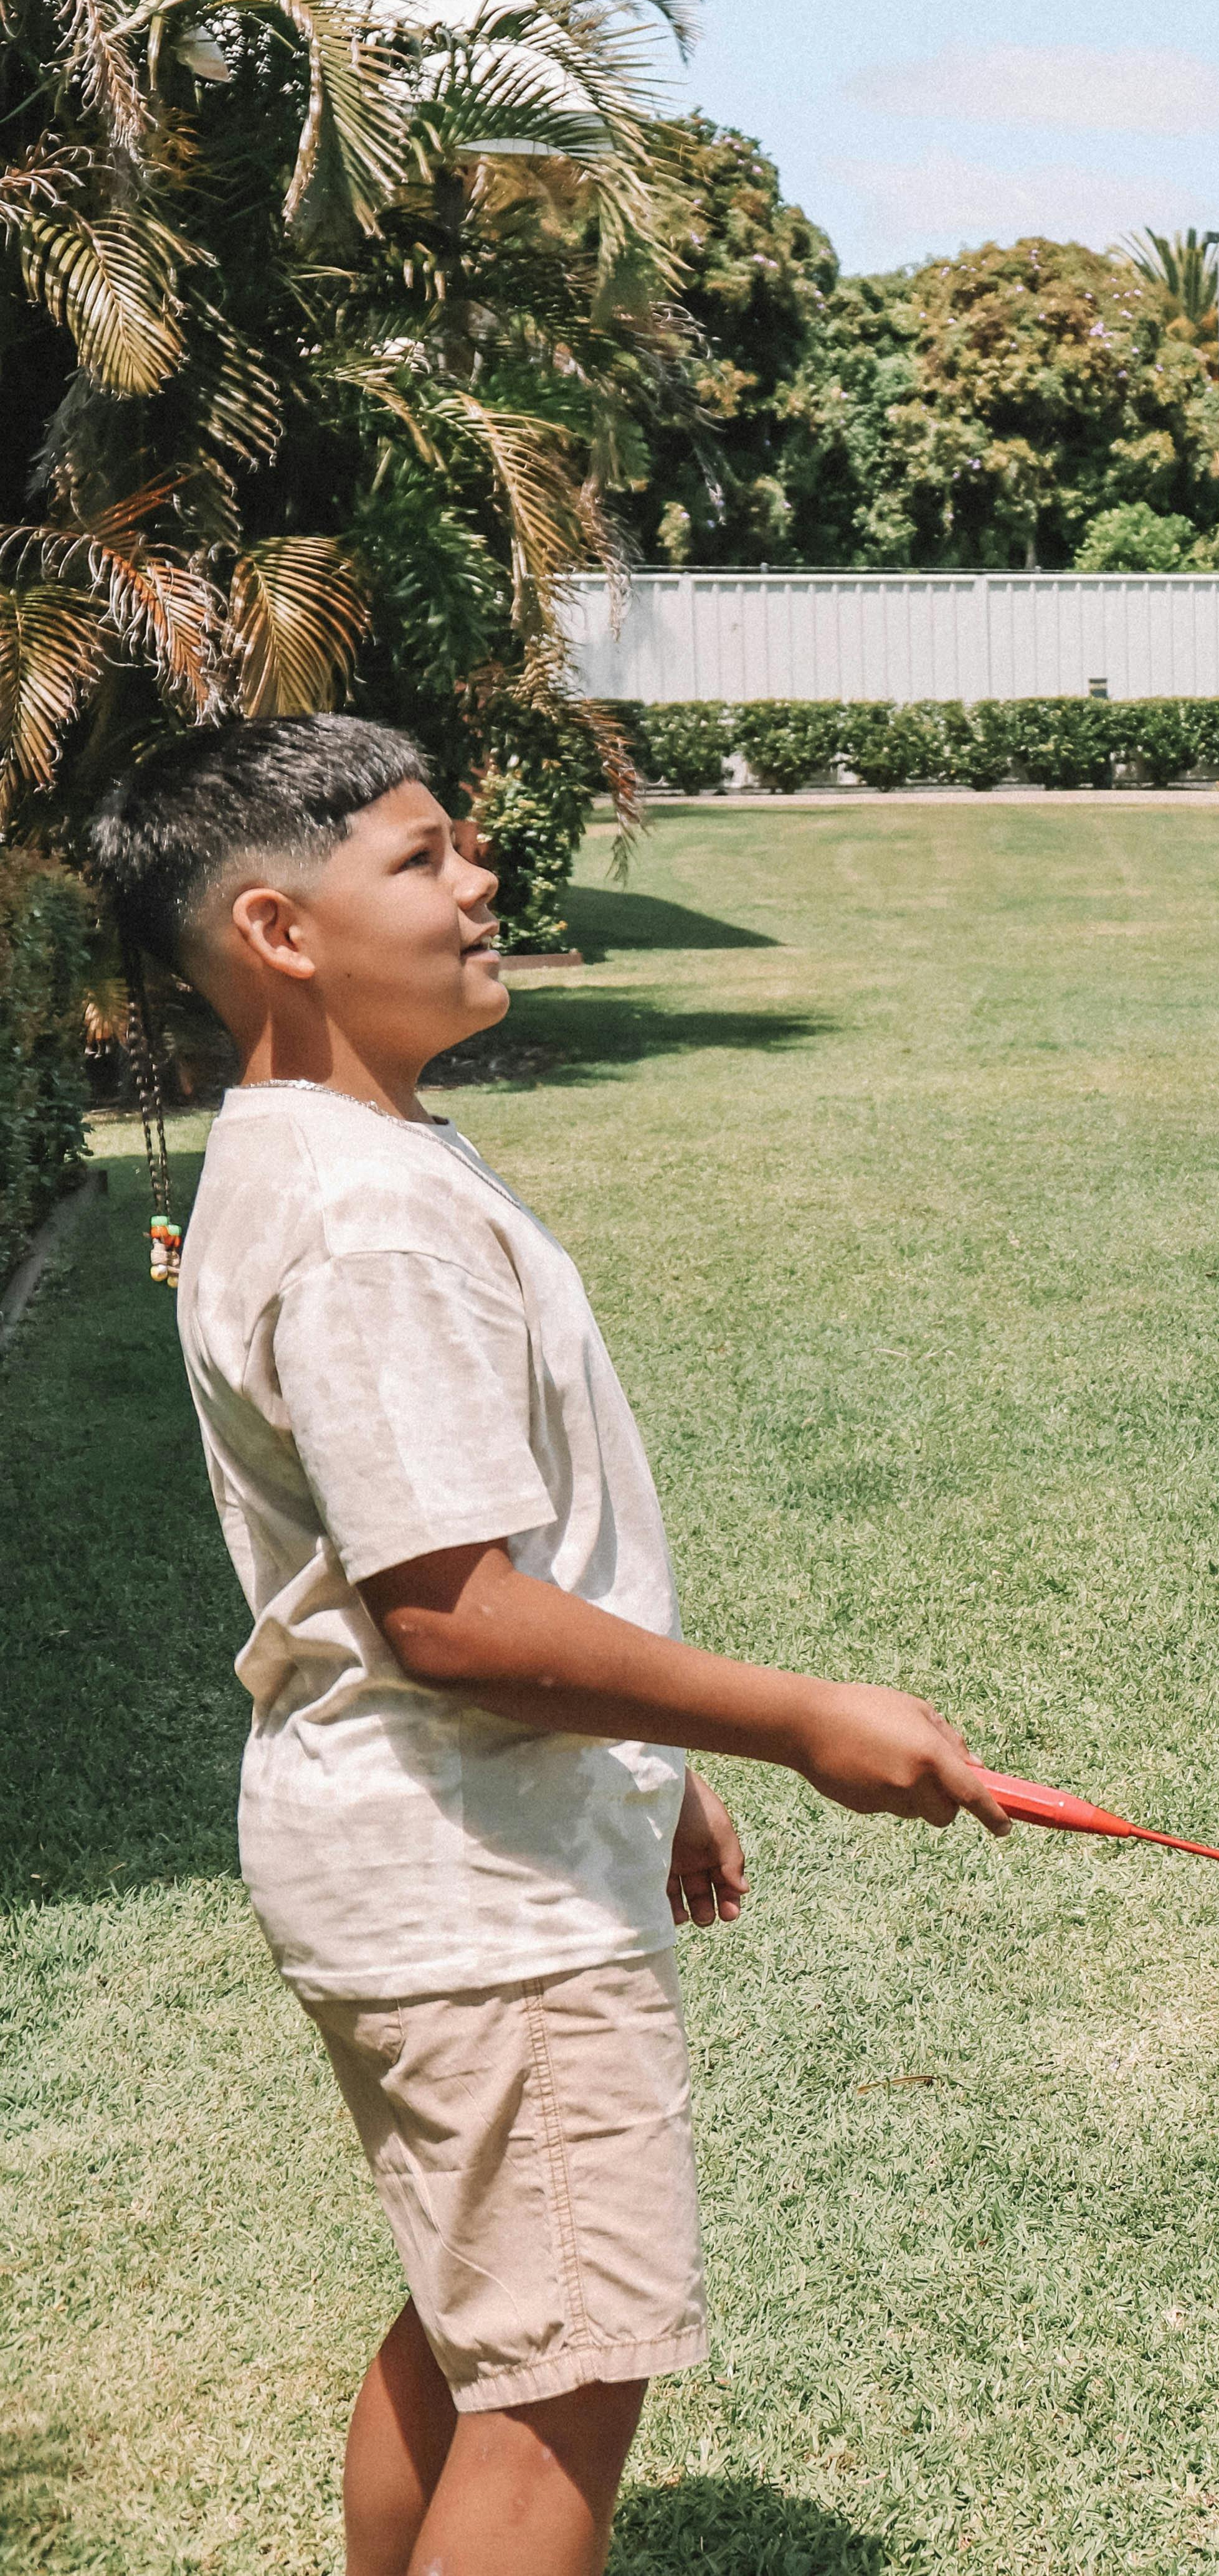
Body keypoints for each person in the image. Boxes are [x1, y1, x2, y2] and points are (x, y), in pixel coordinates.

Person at [85, 719, 1005, 2576]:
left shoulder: (330, 1149)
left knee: (475, 2326)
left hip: (439, 1850)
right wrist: (805, 1719)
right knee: (560, 2390)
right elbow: (452, 1615)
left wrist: (640, 1776)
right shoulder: (371, 1215)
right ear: (279, 927)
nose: (480, 879)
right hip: (473, 1886)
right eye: (421, 860)